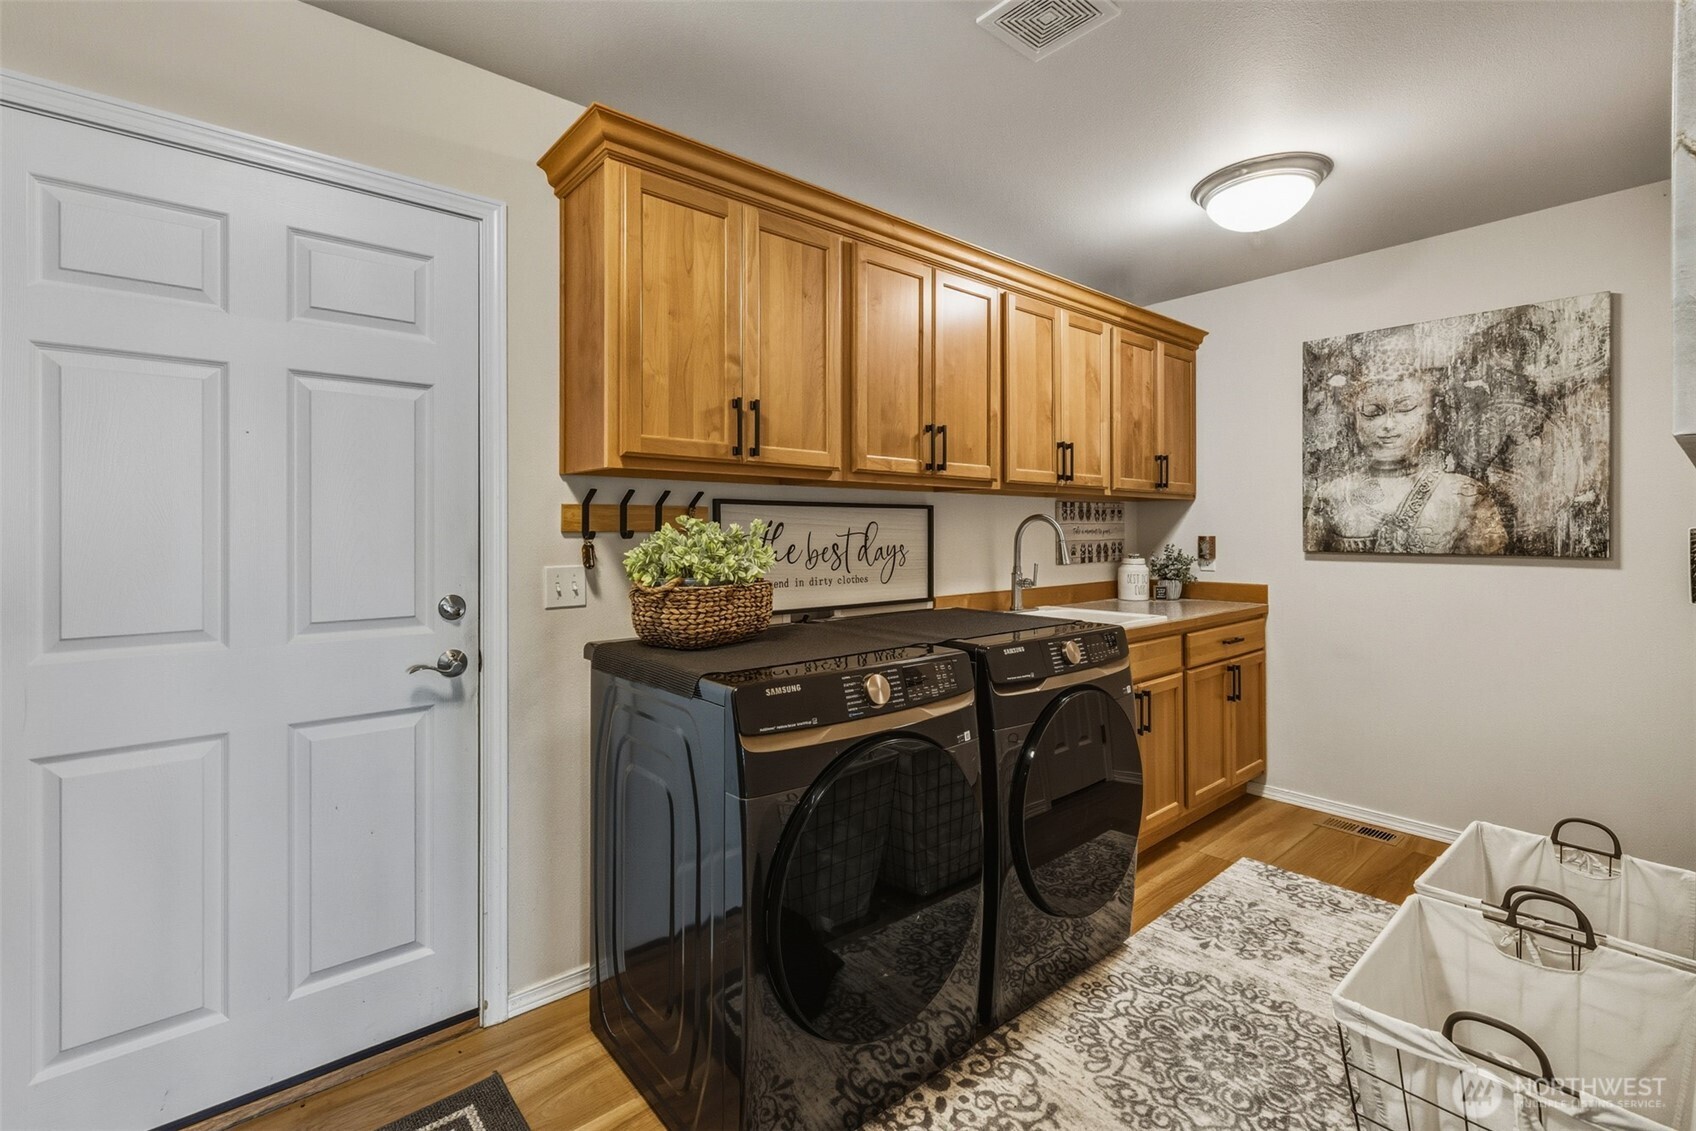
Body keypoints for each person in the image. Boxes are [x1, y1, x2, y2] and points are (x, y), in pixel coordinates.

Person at [1306, 331, 1507, 555]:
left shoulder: (1463, 494)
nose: (1389, 424)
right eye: (1373, 412)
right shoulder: (1332, 495)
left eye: (1405, 408)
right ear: (1354, 417)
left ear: (1427, 413)